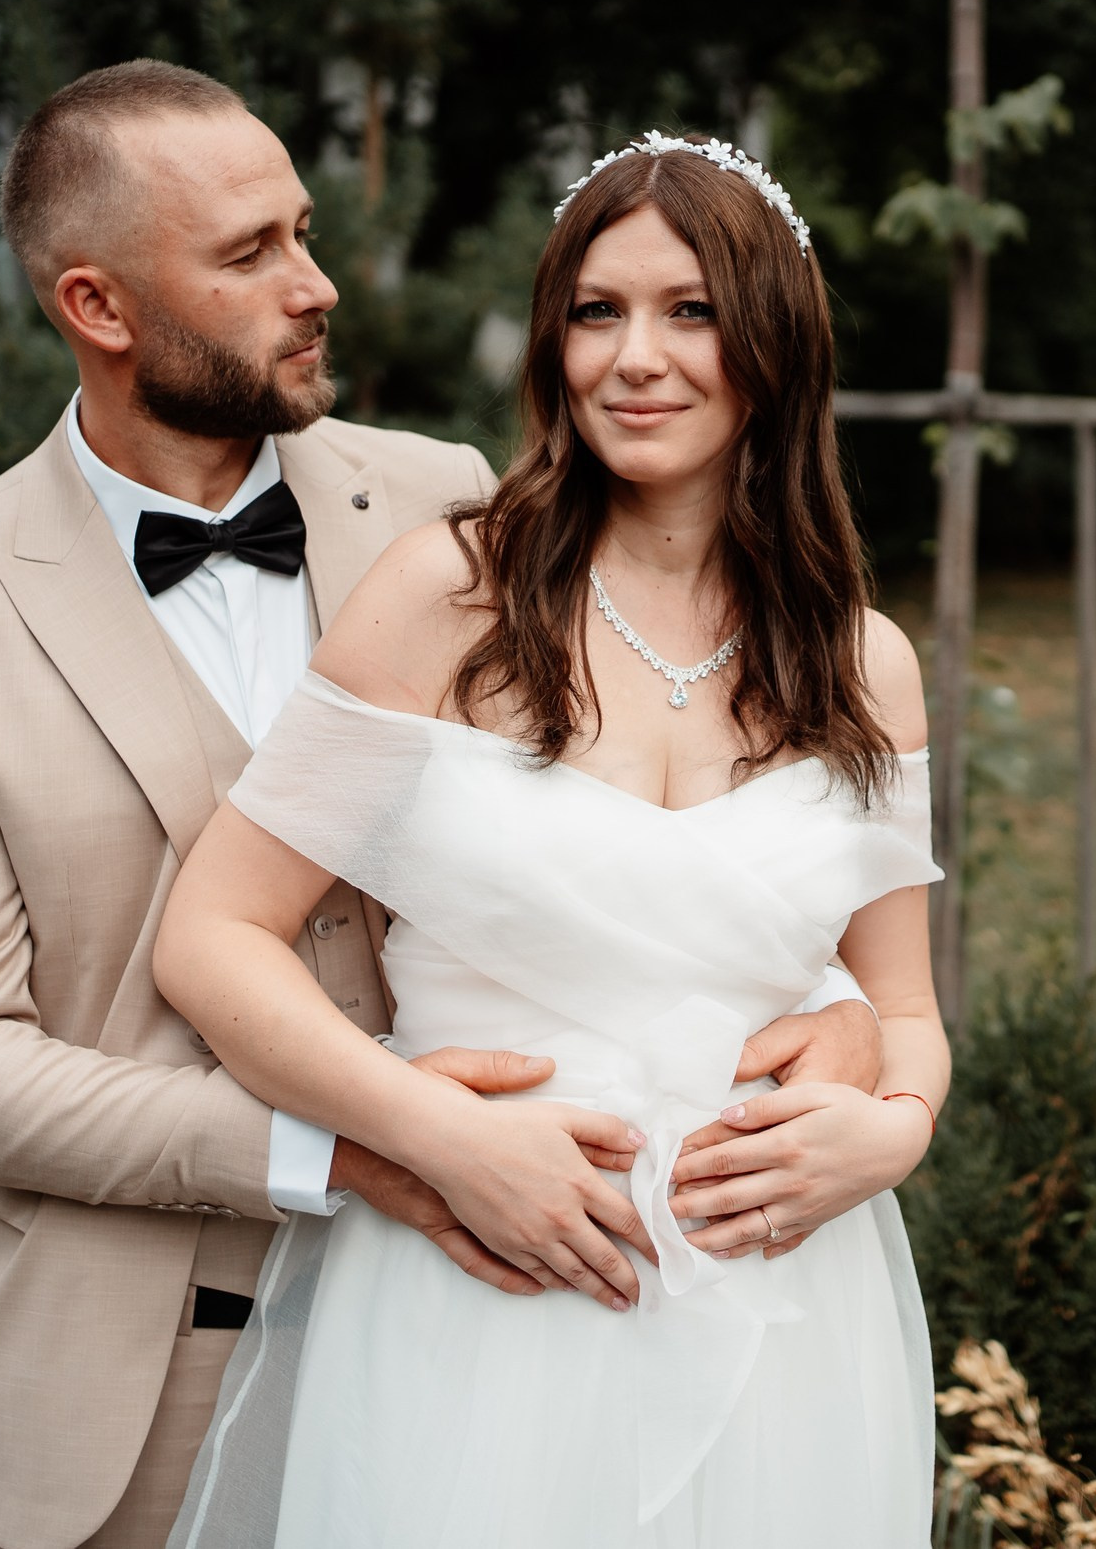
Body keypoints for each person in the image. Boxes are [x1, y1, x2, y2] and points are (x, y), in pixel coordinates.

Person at [0, 67, 884, 1549]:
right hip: (139, 1356)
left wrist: (843, 1009)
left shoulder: (446, 506)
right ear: (99, 305)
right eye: (251, 253)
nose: (316, 284)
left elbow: (626, 823)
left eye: (305, 232)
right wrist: (360, 1150)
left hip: (512, 1321)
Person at [150, 132, 949, 1546]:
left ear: (775, 342)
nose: (636, 358)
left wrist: (891, 1135)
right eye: (597, 312)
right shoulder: (446, 598)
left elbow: (905, 1010)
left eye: (690, 312)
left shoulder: (863, 664)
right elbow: (214, 937)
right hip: (485, 1293)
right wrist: (438, 1139)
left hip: (781, 1311)